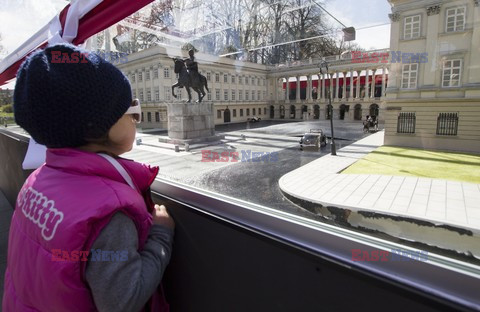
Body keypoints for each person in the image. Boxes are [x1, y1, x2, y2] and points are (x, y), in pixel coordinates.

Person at [3, 44, 175, 311]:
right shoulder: (108, 212)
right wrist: (162, 236)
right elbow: (124, 300)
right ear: (96, 125)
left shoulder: (36, 182)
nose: (135, 118)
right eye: (129, 109)